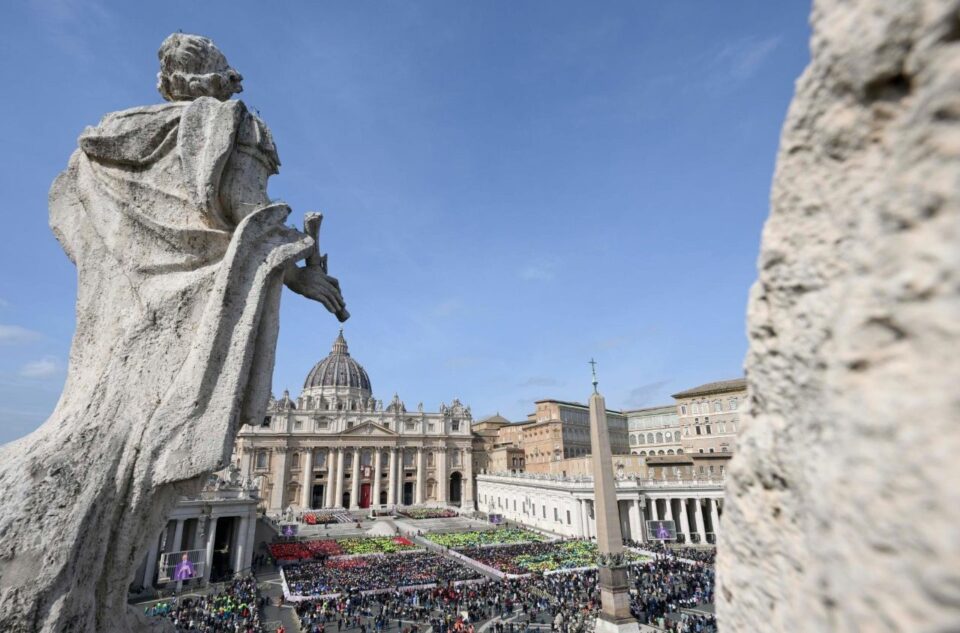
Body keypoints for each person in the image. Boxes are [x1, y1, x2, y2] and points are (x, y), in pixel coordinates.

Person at [0, 32, 348, 631]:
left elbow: (70, 217)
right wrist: (297, 269)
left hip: (126, 305)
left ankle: (86, 598)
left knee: (105, 437)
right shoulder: (233, 125)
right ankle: (80, 599)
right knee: (138, 460)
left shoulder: (105, 141)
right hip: (190, 310)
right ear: (222, 78)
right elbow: (245, 208)